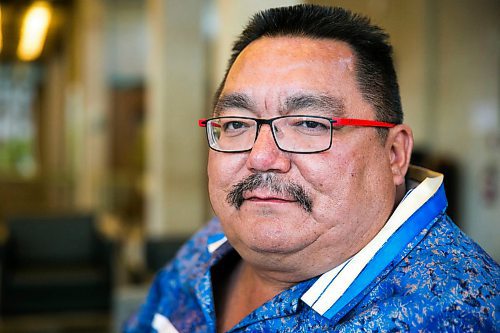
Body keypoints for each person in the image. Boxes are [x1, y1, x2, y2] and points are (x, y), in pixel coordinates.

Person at [124, 5, 499, 332]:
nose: (261, 157)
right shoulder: (212, 243)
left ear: (395, 154)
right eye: (237, 124)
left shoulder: (452, 311)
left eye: (309, 124)